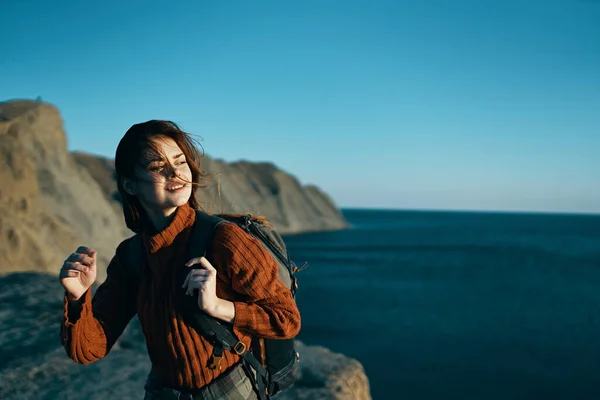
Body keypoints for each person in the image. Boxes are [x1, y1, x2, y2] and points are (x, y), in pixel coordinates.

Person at [59, 120, 301, 400]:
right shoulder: (132, 256)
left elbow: (286, 320)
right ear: (129, 184)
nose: (174, 172)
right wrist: (78, 298)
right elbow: (89, 350)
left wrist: (218, 307)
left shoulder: (226, 240)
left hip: (228, 391)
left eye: (180, 161)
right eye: (156, 166)